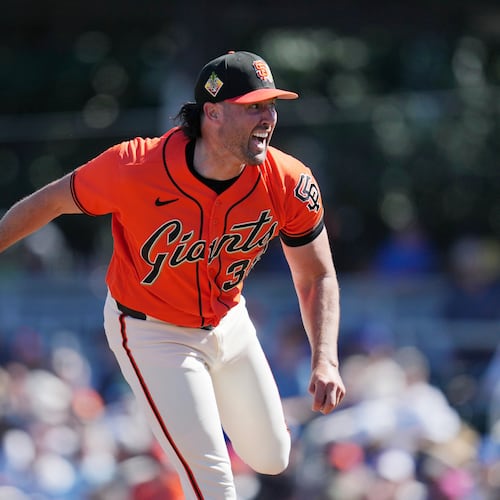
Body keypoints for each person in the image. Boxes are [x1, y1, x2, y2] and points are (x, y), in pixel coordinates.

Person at [0, 50, 346, 499]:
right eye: (253, 107)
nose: (267, 117)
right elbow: (48, 202)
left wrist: (325, 357)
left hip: (229, 321)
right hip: (152, 331)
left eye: (270, 105)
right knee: (213, 483)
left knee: (273, 457)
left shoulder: (287, 180)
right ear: (213, 113)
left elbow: (317, 276)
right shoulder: (135, 167)